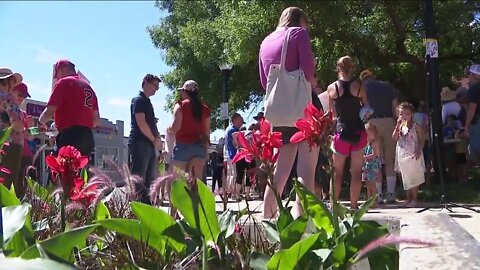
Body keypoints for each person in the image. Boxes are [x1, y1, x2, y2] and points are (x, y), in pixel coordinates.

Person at [259, 7, 320, 218]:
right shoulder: (298, 34)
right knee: (306, 171)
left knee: (280, 171)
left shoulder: (266, 41)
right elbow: (308, 70)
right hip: (303, 106)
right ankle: (302, 224)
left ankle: (268, 221)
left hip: (280, 109)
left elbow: (263, 81)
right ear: (299, 20)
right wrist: (316, 85)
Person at [328, 56, 369, 210]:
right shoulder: (359, 87)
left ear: (337, 68)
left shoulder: (332, 88)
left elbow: (332, 114)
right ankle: (353, 206)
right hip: (358, 131)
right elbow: (367, 108)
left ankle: (333, 206)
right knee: (356, 172)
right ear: (352, 68)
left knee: (337, 172)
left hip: (341, 132)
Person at [39, 60, 100, 158]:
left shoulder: (64, 82)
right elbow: (97, 120)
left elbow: (48, 112)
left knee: (61, 169)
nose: (57, 78)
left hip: (70, 135)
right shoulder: (89, 88)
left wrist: (40, 122)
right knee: (81, 170)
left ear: (61, 70)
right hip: (87, 137)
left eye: (57, 75)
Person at [360, 69, 399, 204]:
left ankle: (378, 195)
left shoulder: (362, 88)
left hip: (372, 123)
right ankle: (391, 193)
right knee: (390, 159)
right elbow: (395, 106)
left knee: (374, 160)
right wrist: (396, 122)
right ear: (374, 76)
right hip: (388, 120)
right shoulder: (387, 86)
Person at [128, 74, 162, 204]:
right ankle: (136, 207)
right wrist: (154, 139)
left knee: (149, 180)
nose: (156, 89)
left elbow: (151, 124)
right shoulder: (138, 100)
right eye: (155, 85)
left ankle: (146, 206)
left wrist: (157, 140)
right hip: (140, 143)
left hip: (149, 144)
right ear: (146, 83)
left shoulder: (147, 102)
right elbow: (141, 123)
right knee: (139, 179)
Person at [168, 80, 211, 180]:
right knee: (196, 183)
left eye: (182, 91)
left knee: (178, 182)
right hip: (199, 148)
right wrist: (206, 150)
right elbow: (207, 131)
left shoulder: (180, 106)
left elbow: (175, 127)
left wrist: (169, 129)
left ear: (185, 92)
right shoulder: (205, 109)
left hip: (183, 146)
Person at [393, 102, 426, 207]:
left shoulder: (416, 126)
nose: (404, 116)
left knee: (414, 177)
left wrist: (419, 149)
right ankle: (408, 199)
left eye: (407, 114)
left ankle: (415, 199)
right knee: (405, 177)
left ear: (412, 114)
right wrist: (397, 126)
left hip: (413, 154)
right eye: (401, 114)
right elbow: (394, 138)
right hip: (402, 155)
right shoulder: (400, 127)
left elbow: (422, 140)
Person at [362, 123, 382, 208]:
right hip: (367, 166)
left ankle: (375, 200)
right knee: (367, 184)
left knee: (372, 184)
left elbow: (375, 154)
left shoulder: (375, 143)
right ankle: (368, 201)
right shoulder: (366, 143)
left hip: (372, 166)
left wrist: (363, 157)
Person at [224, 113, 244, 199]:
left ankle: (231, 193)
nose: (242, 122)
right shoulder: (233, 130)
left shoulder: (228, 129)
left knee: (231, 174)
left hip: (229, 155)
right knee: (235, 175)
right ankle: (234, 194)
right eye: (240, 120)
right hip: (234, 155)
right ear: (235, 120)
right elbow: (236, 143)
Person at [464, 64, 480, 165]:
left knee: (475, 152)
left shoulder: (474, 89)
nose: (468, 77)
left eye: (469, 74)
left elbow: (472, 109)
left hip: (477, 122)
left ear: (474, 75)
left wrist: (466, 125)